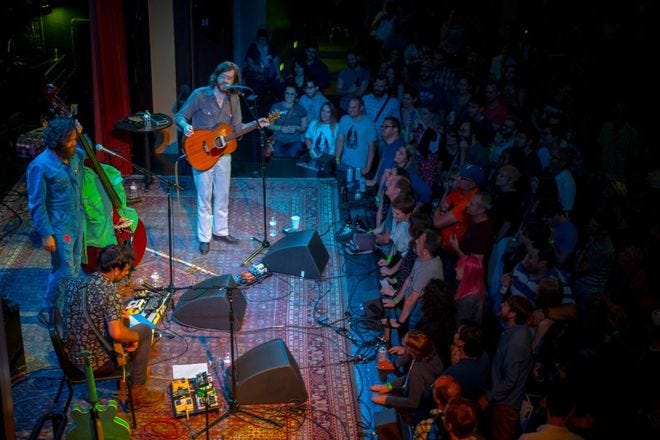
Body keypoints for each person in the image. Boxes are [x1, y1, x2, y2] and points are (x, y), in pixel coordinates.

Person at [175, 61, 269, 254]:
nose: (226, 81)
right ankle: (204, 237)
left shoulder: (234, 99)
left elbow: (237, 128)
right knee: (204, 196)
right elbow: (180, 116)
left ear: (235, 81)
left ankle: (221, 231)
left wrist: (256, 124)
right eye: (223, 77)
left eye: (230, 78)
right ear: (216, 76)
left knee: (223, 195)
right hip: (200, 152)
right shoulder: (200, 95)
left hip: (223, 154)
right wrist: (185, 126)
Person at [60, 244, 163, 406]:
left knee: (126, 321)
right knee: (143, 330)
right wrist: (134, 338)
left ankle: (137, 369)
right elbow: (116, 333)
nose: (127, 273)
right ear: (115, 269)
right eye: (125, 270)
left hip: (71, 356)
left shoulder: (77, 282)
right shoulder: (109, 292)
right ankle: (137, 392)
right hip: (93, 363)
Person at [27, 117, 85, 326]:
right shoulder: (40, 166)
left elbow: (84, 151)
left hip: (77, 220)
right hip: (59, 227)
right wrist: (46, 233)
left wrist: (79, 131)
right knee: (63, 270)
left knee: (76, 266)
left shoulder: (75, 156)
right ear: (57, 142)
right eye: (70, 140)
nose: (74, 143)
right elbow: (36, 204)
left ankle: (65, 308)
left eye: (74, 139)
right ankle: (47, 309)